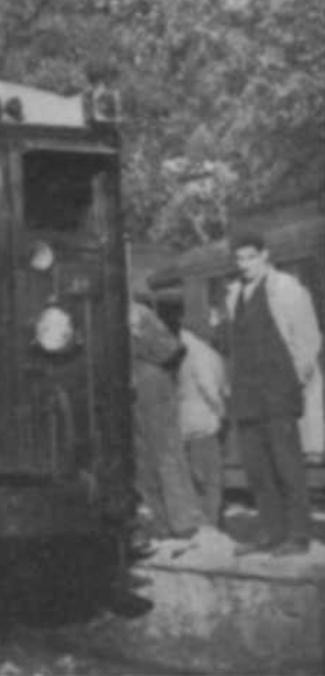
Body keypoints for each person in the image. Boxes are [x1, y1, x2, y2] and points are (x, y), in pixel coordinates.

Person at [217, 232, 321, 557]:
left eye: (250, 257)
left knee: (287, 465)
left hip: (278, 392)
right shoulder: (235, 295)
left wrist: (295, 381)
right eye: (240, 259)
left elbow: (308, 337)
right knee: (258, 468)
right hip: (247, 396)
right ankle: (272, 531)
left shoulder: (286, 289)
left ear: (265, 256)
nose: (244, 264)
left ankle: (299, 535)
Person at [129, 300, 209, 539]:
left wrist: (138, 339)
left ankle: (180, 521)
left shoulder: (137, 313)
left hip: (149, 385)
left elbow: (172, 351)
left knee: (161, 453)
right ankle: (166, 521)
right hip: (143, 386)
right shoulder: (137, 312)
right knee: (147, 456)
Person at [177, 325, 229, 527]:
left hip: (190, 418)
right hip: (204, 419)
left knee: (197, 476)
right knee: (210, 478)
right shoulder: (204, 353)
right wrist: (221, 412)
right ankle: (210, 522)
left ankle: (203, 520)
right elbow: (210, 388)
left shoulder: (190, 351)